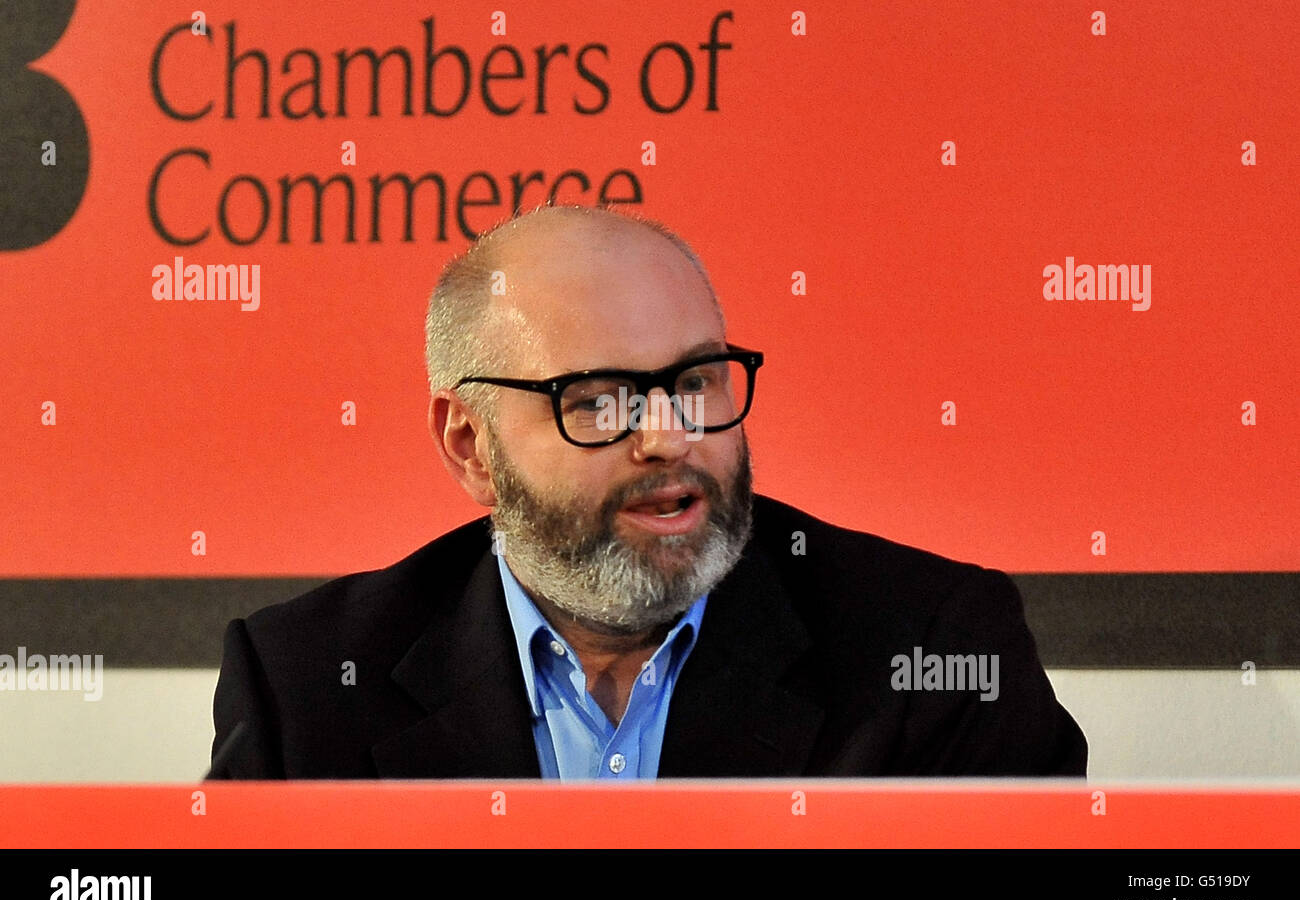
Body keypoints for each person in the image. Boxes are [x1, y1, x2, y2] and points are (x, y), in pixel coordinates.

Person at [208, 204, 1087, 780]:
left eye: (698, 380)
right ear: (470, 445)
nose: (670, 435)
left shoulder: (931, 652)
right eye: (598, 400)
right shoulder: (306, 684)